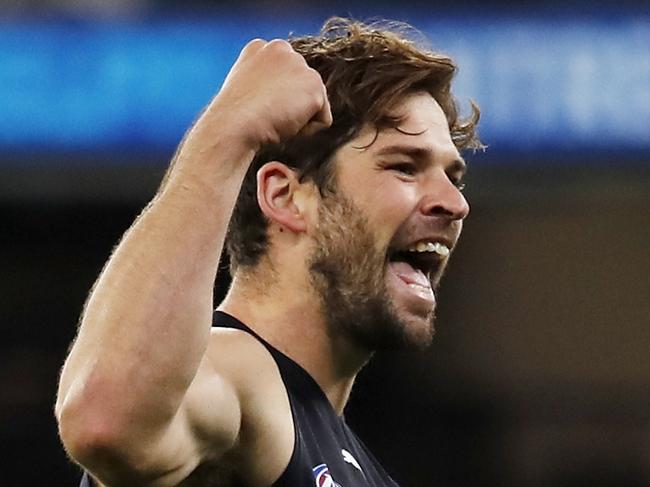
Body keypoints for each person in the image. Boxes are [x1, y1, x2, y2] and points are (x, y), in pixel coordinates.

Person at [55, 17, 481, 486]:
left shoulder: (342, 452)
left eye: (453, 178)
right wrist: (226, 131)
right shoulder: (240, 375)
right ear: (283, 196)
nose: (455, 203)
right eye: (404, 167)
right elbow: (103, 422)